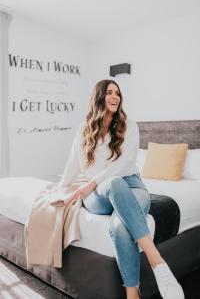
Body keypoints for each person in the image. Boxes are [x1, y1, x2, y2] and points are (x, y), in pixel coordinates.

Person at [57, 80, 185, 299]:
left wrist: (91, 183)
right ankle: (157, 261)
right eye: (109, 92)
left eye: (117, 93)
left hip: (132, 184)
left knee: (120, 226)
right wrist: (60, 190)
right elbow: (72, 165)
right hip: (98, 195)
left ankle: (132, 295)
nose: (115, 97)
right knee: (114, 183)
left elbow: (124, 164)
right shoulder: (84, 128)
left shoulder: (129, 125)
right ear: (99, 96)